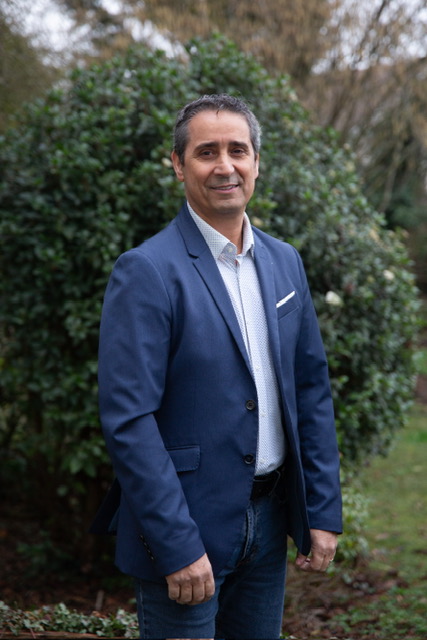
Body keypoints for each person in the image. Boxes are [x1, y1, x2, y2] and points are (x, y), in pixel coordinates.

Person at [95, 93, 342, 639]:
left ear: (256, 162)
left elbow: (310, 390)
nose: (225, 166)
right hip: (187, 531)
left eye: (238, 150)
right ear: (178, 164)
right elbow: (129, 421)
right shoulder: (146, 270)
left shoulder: (285, 261)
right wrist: (176, 544)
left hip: (270, 521)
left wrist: (322, 511)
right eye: (207, 152)